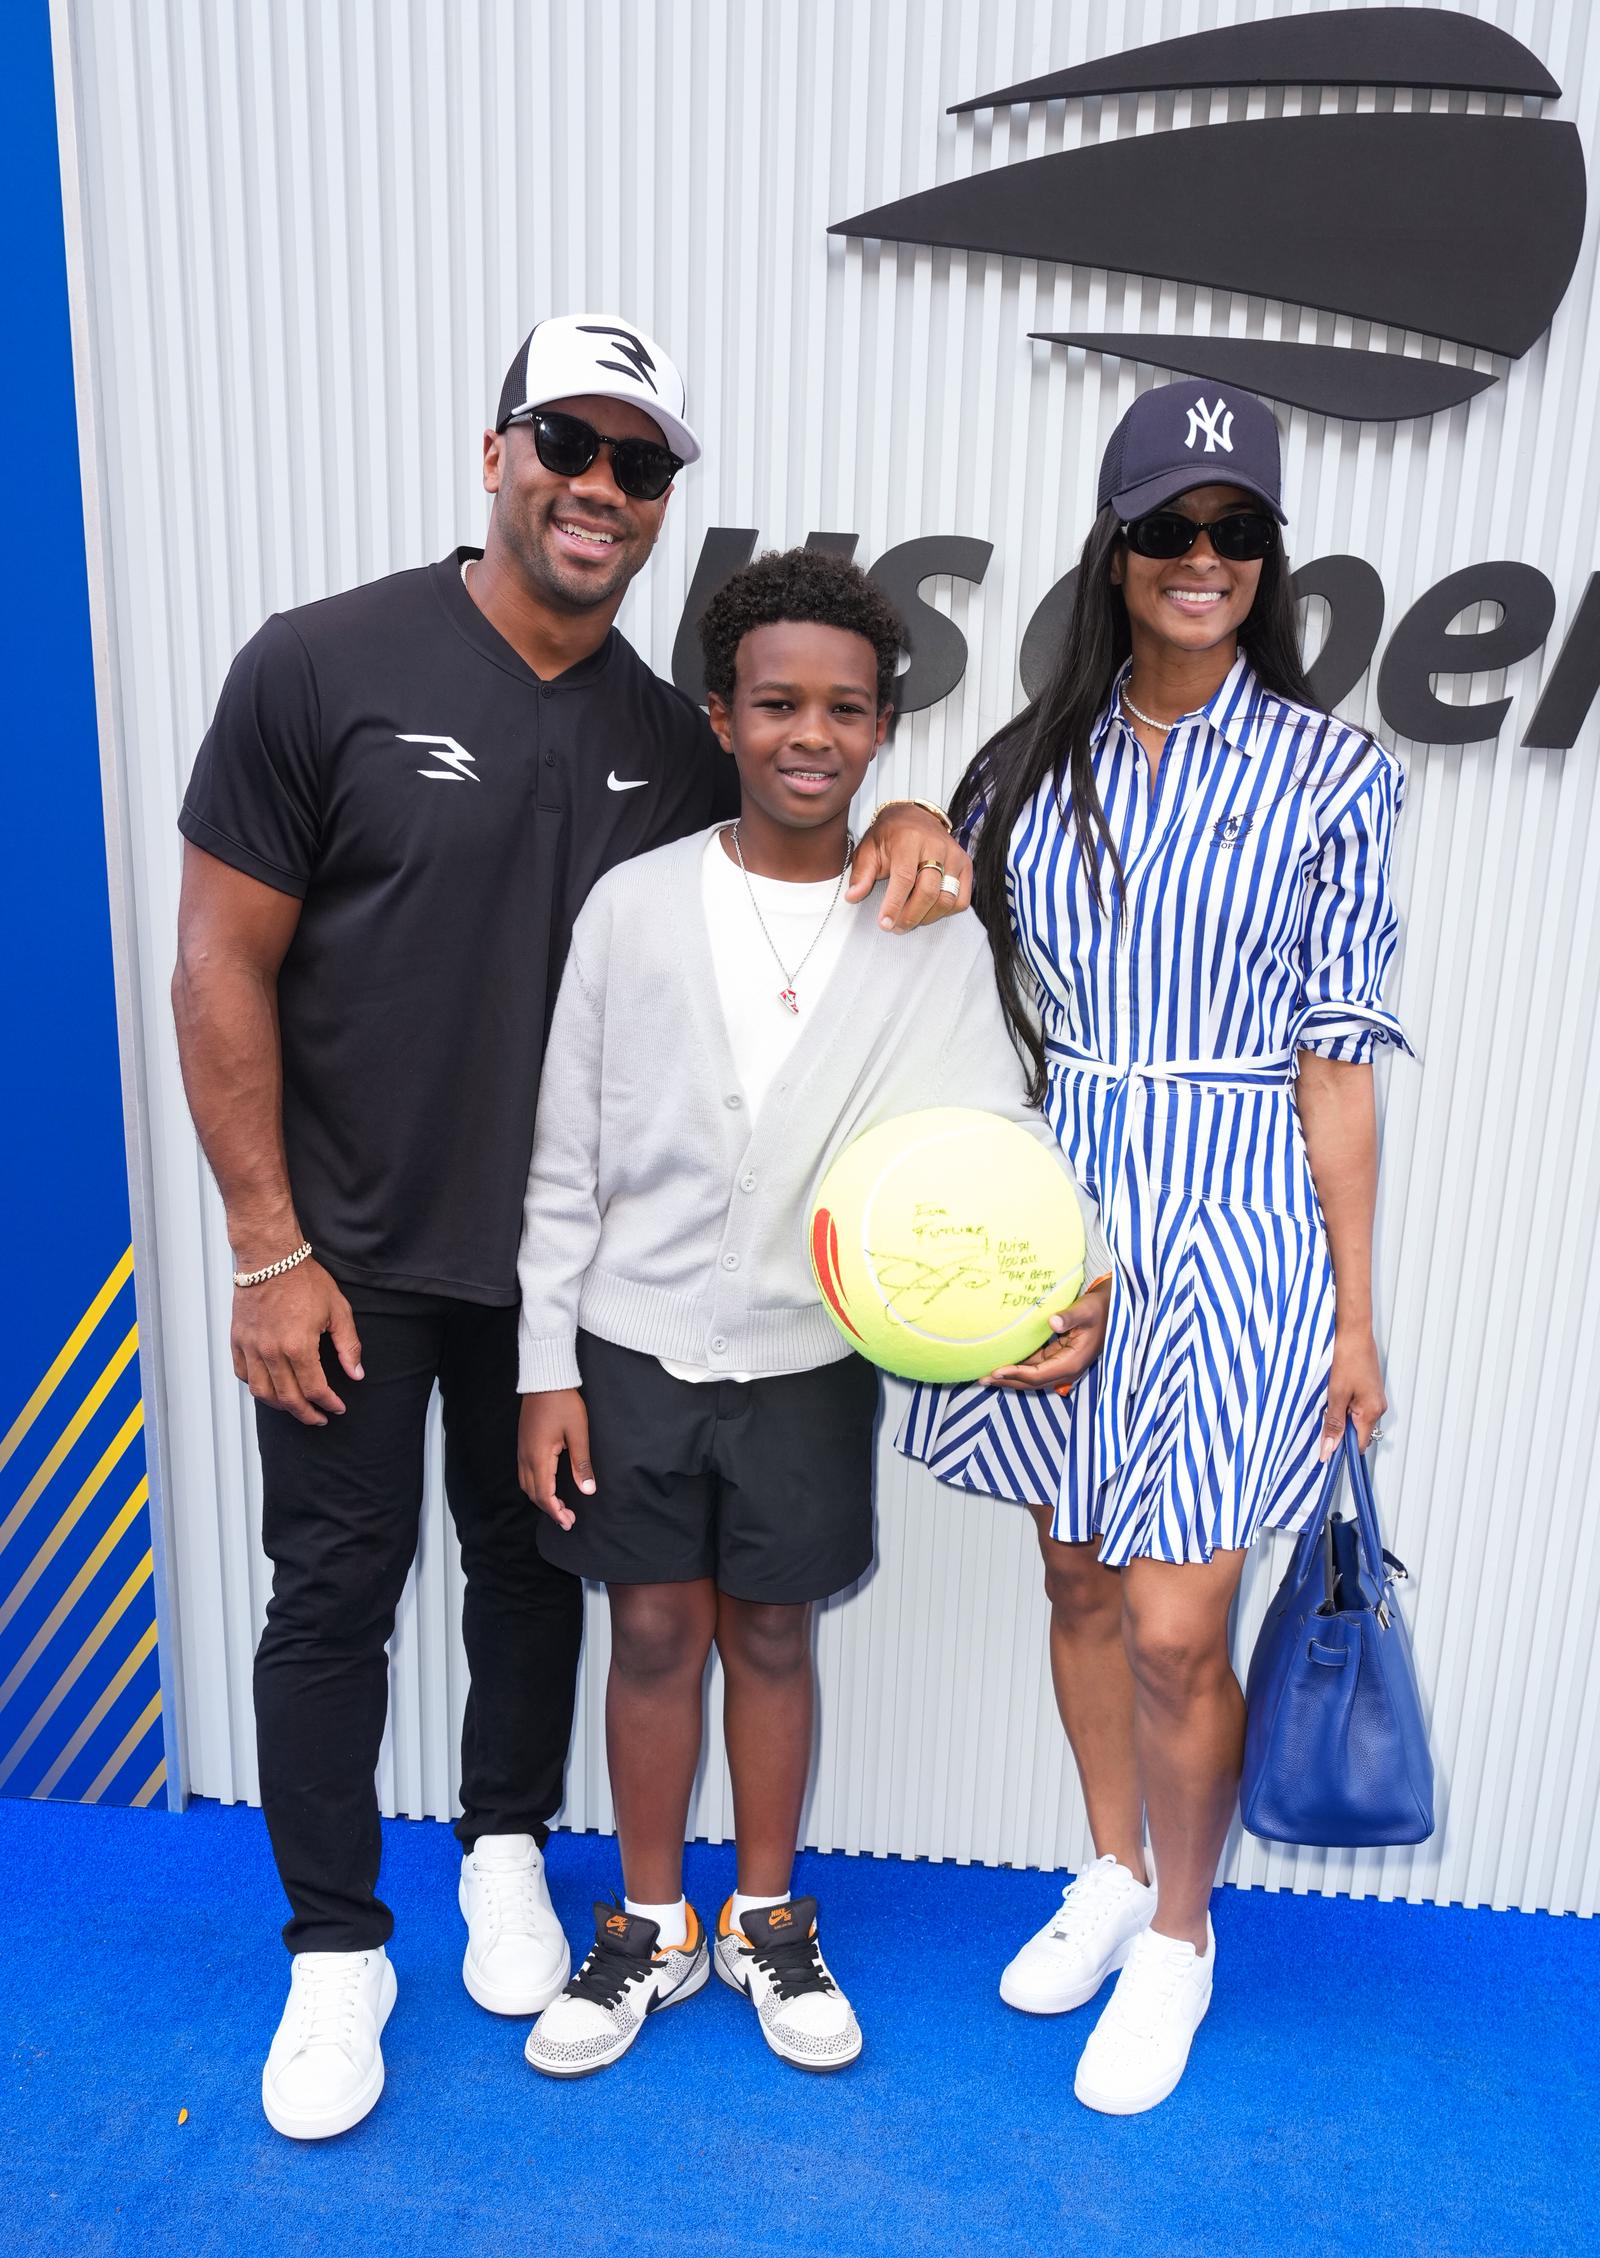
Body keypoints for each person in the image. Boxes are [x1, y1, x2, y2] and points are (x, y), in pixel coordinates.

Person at [170, 315, 973, 2142]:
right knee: (334, 1595)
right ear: (497, 452)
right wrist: (265, 1246)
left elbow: (814, 829)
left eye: (643, 465)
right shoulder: (320, 663)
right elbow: (218, 960)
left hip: (575, 1282)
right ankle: (332, 1953)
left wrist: (921, 811)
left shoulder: (665, 731)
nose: (603, 489)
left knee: (541, 1580)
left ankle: (511, 1856)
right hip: (350, 1258)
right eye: (572, 447)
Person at [513, 550, 1111, 2077]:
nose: (810, 733)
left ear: (884, 728)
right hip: (630, 1344)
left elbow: (992, 1140)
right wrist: (542, 1370)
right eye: (776, 701)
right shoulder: (634, 909)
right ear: (719, 713)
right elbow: (565, 1162)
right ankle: (650, 1925)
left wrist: (1061, 1282)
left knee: (773, 1632)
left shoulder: (924, 929)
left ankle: (770, 1917)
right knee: (650, 1629)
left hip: (813, 1359)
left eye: (846, 709)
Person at [901, 379, 1410, 2115]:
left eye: (1238, 532)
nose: (1206, 559)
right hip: (1055, 1214)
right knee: (1074, 1577)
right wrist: (907, 826)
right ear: (1118, 554)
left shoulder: (1337, 770)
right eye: (1172, 530)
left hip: (1229, 1222)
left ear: (1270, 561)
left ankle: (1185, 1938)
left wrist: (1353, 1313)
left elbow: (1338, 1063)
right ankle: (1112, 1869)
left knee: (1184, 1622)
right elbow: (934, 962)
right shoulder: (1029, 761)